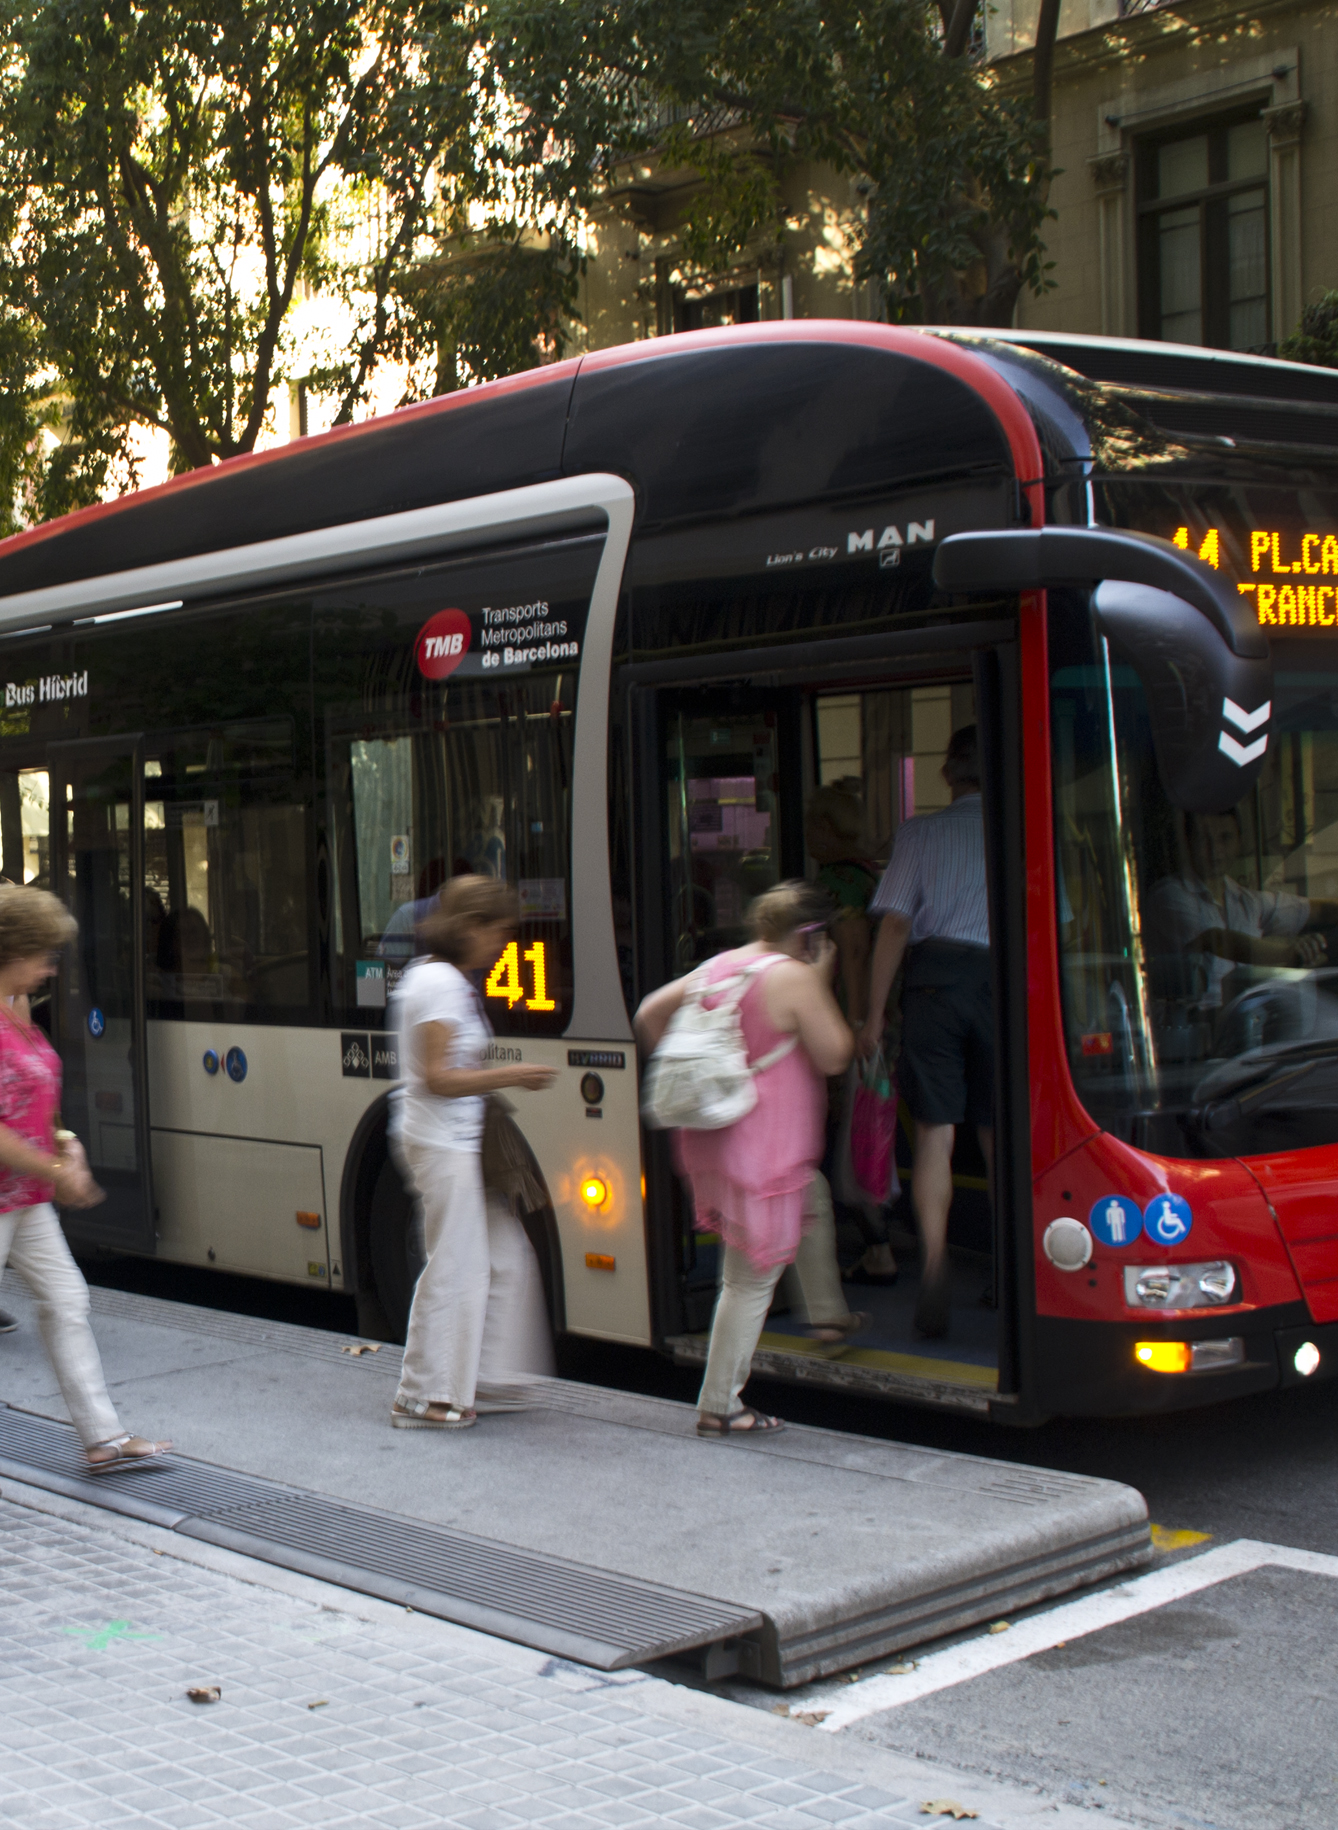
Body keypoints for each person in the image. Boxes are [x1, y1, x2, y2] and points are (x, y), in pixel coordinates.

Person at [636, 881, 859, 1437]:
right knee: (748, 1281)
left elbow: (648, 1015)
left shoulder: (720, 967)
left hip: (715, 1138)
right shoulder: (794, 977)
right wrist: (822, 981)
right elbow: (835, 1055)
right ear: (809, 937)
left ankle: (827, 1313)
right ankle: (720, 1403)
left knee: (813, 1198)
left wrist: (712, 1069)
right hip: (766, 1149)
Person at [0, 884, 170, 1470]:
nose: (51, 967)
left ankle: (103, 1437)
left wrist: (67, 1145)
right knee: (67, 1300)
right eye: (43, 954)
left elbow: (38, 1098)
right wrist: (54, 1166)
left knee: (69, 1299)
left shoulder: (18, 1008)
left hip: (23, 1197)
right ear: (12, 951)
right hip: (9, 1193)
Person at [388, 875, 557, 1430]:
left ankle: (486, 1378)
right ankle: (423, 1396)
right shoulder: (441, 984)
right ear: (470, 927)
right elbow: (436, 1076)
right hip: (443, 1142)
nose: (504, 946)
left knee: (506, 1259)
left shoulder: (435, 977)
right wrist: (513, 1075)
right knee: (456, 1268)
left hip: (451, 1139)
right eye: (498, 931)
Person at [856, 725, 992, 1341]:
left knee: (936, 1131)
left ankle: (935, 1262)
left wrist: (874, 1014)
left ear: (947, 774)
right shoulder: (1018, 825)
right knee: (997, 1131)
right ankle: (1009, 1263)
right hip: (1001, 984)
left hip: (933, 981)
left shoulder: (920, 834)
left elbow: (892, 928)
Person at [805, 780, 898, 1286]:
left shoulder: (839, 883)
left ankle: (875, 1243)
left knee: (849, 1129)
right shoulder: (871, 874)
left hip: (847, 1019)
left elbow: (854, 951)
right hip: (881, 1019)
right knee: (869, 1126)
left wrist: (859, 1021)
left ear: (827, 829)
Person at [1148, 808, 1338, 1009]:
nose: (1215, 851)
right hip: (1195, 1023)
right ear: (1187, 843)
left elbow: (1321, 911)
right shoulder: (1169, 896)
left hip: (1246, 1018)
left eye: (1225, 838)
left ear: (1240, 841)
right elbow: (1218, 940)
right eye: (1204, 839)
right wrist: (1292, 952)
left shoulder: (1246, 901)